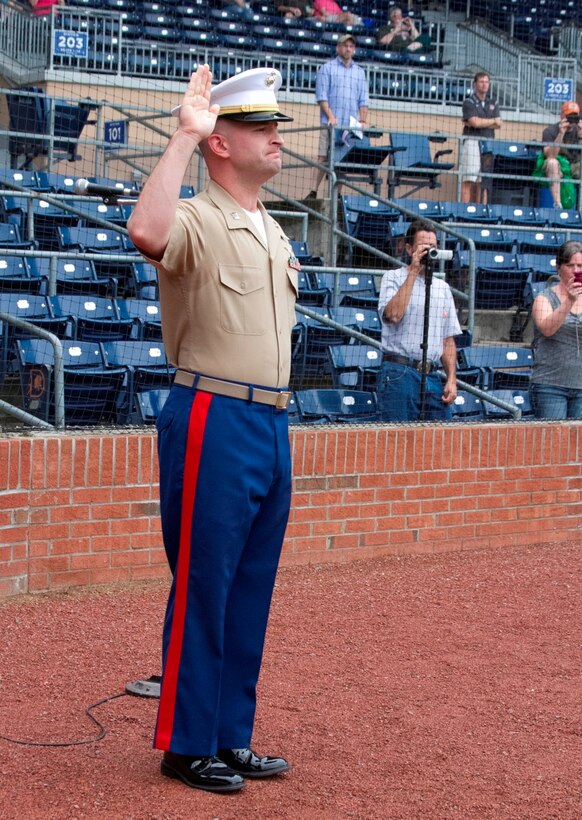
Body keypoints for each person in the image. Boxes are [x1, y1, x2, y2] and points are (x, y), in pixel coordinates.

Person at [127, 65, 297, 794]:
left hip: (271, 419)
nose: (276, 138)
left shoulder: (272, 227)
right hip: (213, 412)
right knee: (205, 584)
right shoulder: (197, 213)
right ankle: (184, 742)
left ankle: (231, 737)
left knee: (250, 588)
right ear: (221, 144)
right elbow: (146, 230)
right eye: (261, 129)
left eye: (275, 127)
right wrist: (181, 139)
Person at [377, 220, 461, 421]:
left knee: (438, 441)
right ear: (409, 248)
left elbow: (447, 340)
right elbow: (393, 315)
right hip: (400, 373)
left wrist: (451, 379)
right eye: (424, 247)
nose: (429, 252)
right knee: (397, 441)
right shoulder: (393, 277)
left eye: (433, 247)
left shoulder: (442, 288)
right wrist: (414, 271)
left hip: (432, 375)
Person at [305, 34, 369, 200]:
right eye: (345, 45)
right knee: (322, 156)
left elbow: (363, 100)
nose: (348, 49)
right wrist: (331, 117)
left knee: (343, 160)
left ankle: (336, 195)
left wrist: (362, 120)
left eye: (351, 46)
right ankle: (313, 191)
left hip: (349, 126)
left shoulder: (360, 73)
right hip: (330, 123)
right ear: (338, 48)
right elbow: (322, 97)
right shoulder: (327, 68)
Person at [530, 240, 582, 419]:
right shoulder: (544, 297)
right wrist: (569, 301)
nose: (575, 270)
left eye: (580, 265)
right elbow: (547, 329)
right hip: (550, 386)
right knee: (553, 444)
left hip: (580, 385)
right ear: (558, 267)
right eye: (570, 265)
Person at [460, 72, 502, 204]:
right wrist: (491, 121)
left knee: (483, 180)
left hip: (488, 143)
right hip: (472, 141)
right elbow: (474, 122)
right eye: (481, 82)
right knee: (469, 178)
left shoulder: (493, 102)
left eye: (486, 82)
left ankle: (481, 212)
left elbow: (499, 124)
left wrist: (481, 122)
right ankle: (463, 210)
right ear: (475, 84)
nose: (484, 85)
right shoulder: (469, 102)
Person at [536, 101, 582, 208]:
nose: (572, 120)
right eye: (569, 116)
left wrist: (581, 136)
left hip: (575, 166)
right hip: (557, 167)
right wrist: (561, 134)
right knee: (552, 163)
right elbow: (550, 155)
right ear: (562, 115)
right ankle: (557, 205)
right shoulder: (550, 131)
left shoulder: (579, 130)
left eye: (575, 117)